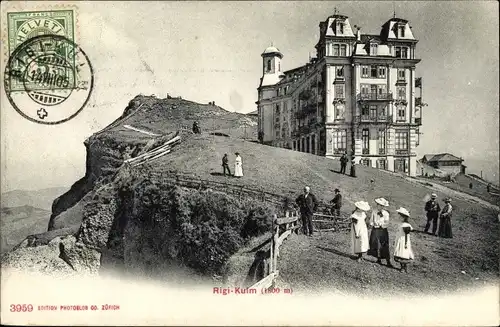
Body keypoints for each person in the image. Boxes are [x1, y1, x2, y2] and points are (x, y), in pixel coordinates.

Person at [367, 198, 393, 267]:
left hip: (382, 231)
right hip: (375, 230)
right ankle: (378, 259)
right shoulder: (374, 211)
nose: (381, 207)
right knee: (376, 244)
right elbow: (371, 220)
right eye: (380, 205)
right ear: (377, 205)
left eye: (382, 206)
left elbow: (387, 223)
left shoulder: (386, 213)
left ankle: (388, 261)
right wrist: (372, 224)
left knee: (384, 244)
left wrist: (382, 225)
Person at [393, 207, 414, 273]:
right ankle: (402, 266)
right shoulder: (400, 224)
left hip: (403, 241)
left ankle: (404, 267)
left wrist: (407, 229)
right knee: (400, 252)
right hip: (399, 240)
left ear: (404, 217)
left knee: (404, 253)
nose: (399, 217)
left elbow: (408, 232)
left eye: (400, 216)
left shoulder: (406, 225)